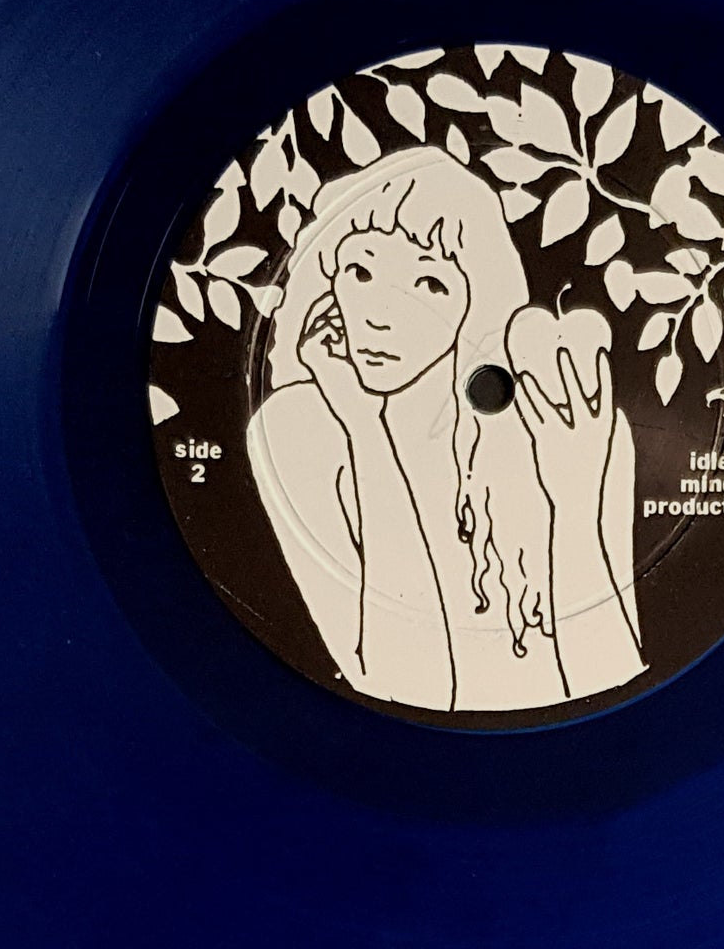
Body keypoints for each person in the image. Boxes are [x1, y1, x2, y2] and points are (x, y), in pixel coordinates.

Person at [247, 146, 642, 712]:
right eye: (361, 272)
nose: (380, 315)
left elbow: (615, 686)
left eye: (430, 284)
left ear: (477, 300)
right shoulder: (295, 432)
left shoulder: (572, 422)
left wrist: (576, 504)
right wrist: (365, 431)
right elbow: (403, 689)